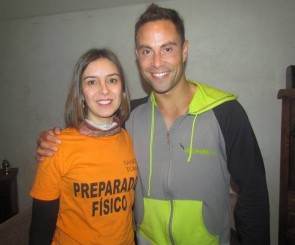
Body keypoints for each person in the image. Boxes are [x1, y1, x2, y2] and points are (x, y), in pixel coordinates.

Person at [35, 3, 270, 245]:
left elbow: (254, 196)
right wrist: (51, 139)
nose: (157, 62)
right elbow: (92, 132)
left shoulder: (226, 113)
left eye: (167, 48)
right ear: (137, 56)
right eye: (147, 51)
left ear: (184, 50)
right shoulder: (129, 117)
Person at [29, 48, 137, 245]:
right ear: (81, 93)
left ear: (122, 89)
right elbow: (41, 225)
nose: (104, 89)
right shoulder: (56, 146)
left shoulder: (128, 138)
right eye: (92, 81)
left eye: (112, 80)